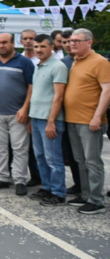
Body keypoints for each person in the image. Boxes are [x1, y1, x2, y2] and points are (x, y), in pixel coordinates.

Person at [0, 33, 35, 196]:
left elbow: (32, 86)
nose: (1, 45)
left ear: (13, 43)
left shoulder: (24, 62)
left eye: (5, 42)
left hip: (17, 113)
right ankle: (3, 177)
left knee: (20, 148)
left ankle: (20, 180)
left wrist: (25, 108)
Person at [63, 28, 110, 214]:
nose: (72, 43)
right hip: (72, 119)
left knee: (92, 161)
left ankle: (96, 200)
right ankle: (85, 194)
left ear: (89, 42)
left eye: (77, 40)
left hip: (90, 120)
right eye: (71, 40)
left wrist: (98, 116)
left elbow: (107, 91)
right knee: (79, 160)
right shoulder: (75, 61)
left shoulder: (100, 62)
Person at [29, 34, 69, 206]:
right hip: (36, 118)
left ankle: (58, 192)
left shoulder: (57, 66)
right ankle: (47, 187)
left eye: (43, 47)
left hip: (49, 119)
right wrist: (31, 117)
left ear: (51, 47)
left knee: (53, 158)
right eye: (36, 47)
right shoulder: (39, 65)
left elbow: (58, 97)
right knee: (40, 156)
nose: (39, 50)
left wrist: (52, 121)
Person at [59, 29, 81, 195]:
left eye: (70, 42)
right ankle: (78, 183)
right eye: (65, 42)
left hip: (84, 115)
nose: (68, 45)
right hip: (65, 114)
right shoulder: (62, 62)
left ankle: (89, 189)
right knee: (71, 153)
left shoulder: (92, 60)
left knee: (87, 156)